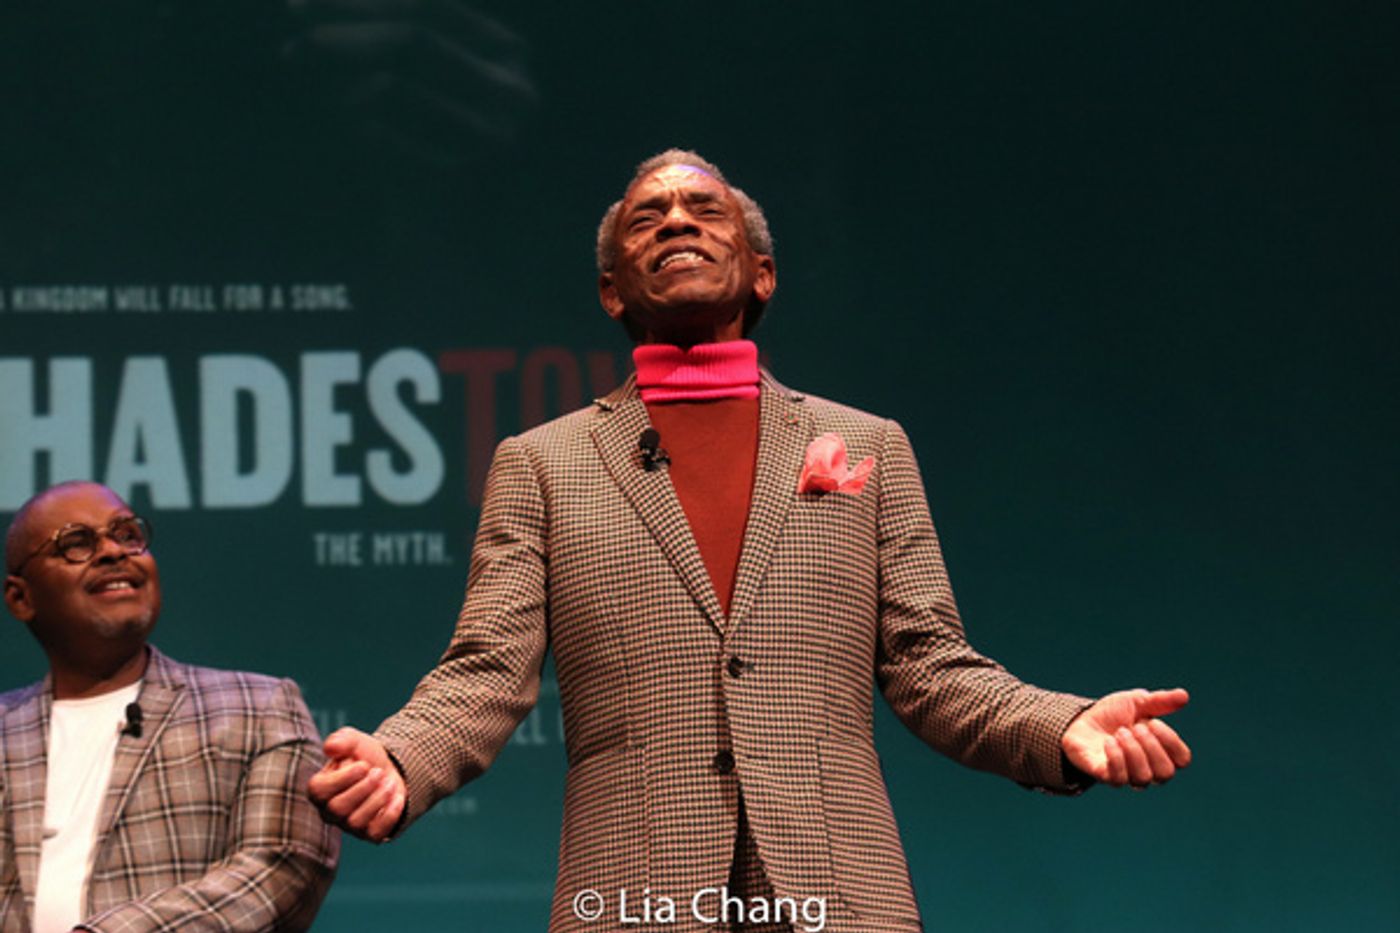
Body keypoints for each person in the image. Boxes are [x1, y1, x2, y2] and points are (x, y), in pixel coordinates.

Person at [309, 150, 1192, 932]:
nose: (678, 222)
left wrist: (1064, 723)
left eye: (704, 210)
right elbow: (486, 671)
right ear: (614, 288)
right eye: (647, 218)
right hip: (634, 894)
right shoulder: (543, 463)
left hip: (839, 889)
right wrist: (400, 756)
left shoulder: (869, 445)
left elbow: (932, 665)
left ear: (762, 274)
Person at [0, 481, 339, 933]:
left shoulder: (256, 710)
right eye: (77, 544)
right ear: (21, 598)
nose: (113, 552)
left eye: (126, 535)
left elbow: (278, 870)